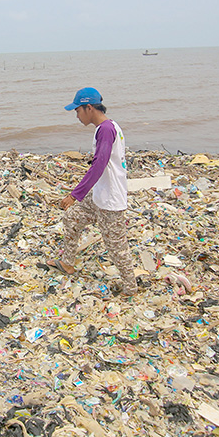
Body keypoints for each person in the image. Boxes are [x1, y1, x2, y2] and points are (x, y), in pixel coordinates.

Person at [46, 87, 137, 296]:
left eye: (78, 111)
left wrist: (74, 194)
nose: (77, 116)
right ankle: (68, 263)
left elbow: (99, 165)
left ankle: (130, 288)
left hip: (110, 200)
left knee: (116, 248)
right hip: (99, 195)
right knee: (72, 218)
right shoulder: (105, 127)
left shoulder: (106, 129)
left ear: (89, 107)